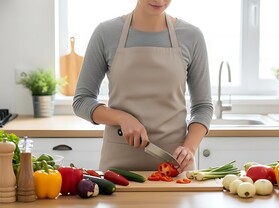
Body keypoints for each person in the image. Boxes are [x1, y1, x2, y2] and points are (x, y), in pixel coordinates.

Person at [73, 0, 213, 172]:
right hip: (119, 169)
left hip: (175, 167)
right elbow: (81, 101)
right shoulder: (106, 33)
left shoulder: (192, 36)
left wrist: (189, 148)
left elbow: (203, 106)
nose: (159, 1)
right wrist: (122, 118)